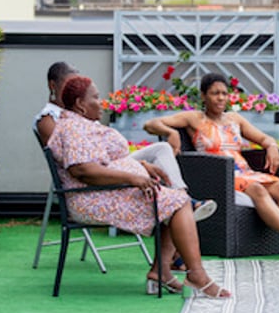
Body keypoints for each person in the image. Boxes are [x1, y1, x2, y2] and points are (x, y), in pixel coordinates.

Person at [47, 75, 229, 298]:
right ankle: (196, 275)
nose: (101, 101)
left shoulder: (80, 125)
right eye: (95, 97)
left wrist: (141, 166)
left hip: (106, 191)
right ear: (80, 105)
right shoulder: (73, 129)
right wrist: (133, 178)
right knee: (179, 203)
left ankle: (160, 272)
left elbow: (104, 161)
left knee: (172, 200)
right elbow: (83, 171)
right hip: (91, 198)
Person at [143, 73, 279, 263]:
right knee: (256, 189)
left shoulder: (234, 119)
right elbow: (151, 124)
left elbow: (263, 138)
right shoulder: (194, 118)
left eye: (224, 93)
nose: (221, 98)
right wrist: (170, 132)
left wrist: (271, 146)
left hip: (244, 172)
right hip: (220, 174)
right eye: (215, 93)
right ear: (204, 96)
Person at [33, 62, 216, 222]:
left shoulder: (83, 112)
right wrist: (132, 171)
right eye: (68, 84)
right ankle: (185, 205)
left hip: (113, 163)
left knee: (161, 148)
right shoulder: (51, 119)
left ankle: (183, 198)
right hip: (94, 178)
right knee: (166, 199)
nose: (72, 88)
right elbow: (71, 160)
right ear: (53, 85)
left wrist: (140, 164)